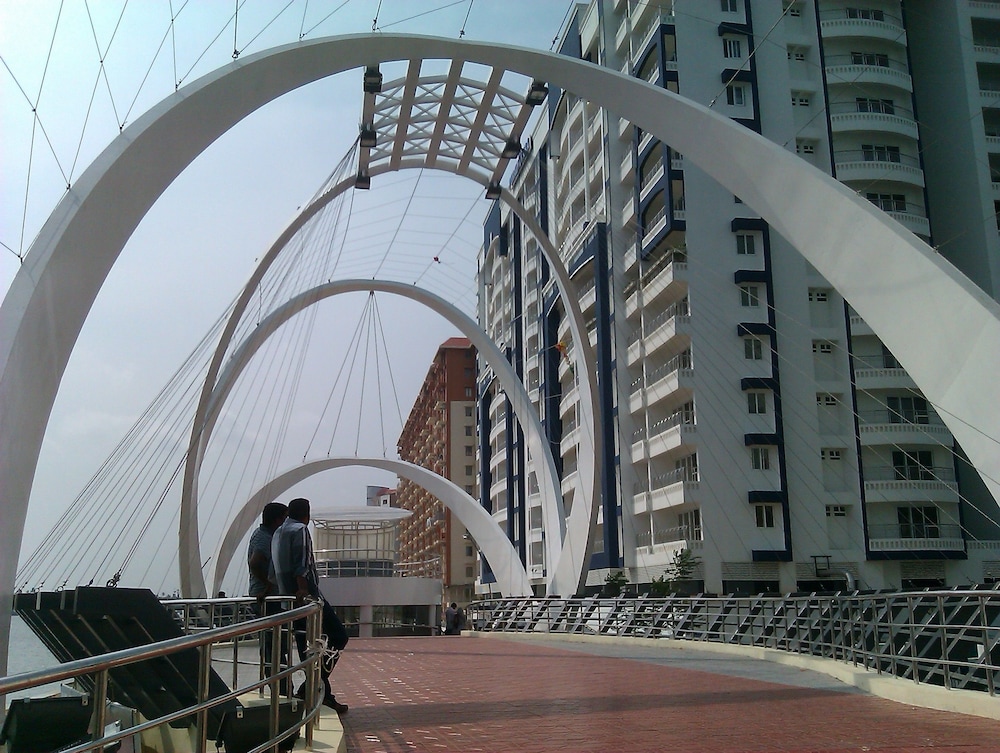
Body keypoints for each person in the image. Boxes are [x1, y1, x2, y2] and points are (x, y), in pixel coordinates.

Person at [271, 497, 349, 713]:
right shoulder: (300, 530)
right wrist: (303, 590)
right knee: (338, 636)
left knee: (308, 648)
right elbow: (302, 565)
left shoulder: (278, 532)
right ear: (307, 514)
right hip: (307, 598)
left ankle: (320, 692)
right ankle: (311, 686)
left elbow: (273, 570)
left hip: (287, 600)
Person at [247, 501, 288, 693]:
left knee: (275, 645)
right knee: (273, 645)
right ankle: (280, 688)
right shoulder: (264, 538)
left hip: (268, 597)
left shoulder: (263, 534)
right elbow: (255, 562)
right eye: (285, 518)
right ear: (277, 519)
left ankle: (281, 686)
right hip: (267, 599)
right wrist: (268, 585)